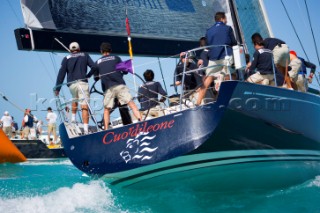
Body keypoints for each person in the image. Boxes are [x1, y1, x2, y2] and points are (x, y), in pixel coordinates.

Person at [87, 42, 141, 130]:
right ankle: (141, 121)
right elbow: (125, 71)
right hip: (120, 85)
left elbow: (96, 78)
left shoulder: (97, 62)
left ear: (101, 51)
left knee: (106, 110)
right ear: (110, 50)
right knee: (131, 103)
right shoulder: (116, 58)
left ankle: (106, 129)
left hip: (108, 89)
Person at [55, 42, 97, 134]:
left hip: (72, 84)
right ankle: (86, 130)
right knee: (84, 105)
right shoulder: (85, 55)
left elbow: (61, 73)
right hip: (82, 82)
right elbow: (94, 67)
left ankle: (73, 119)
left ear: (70, 50)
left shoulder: (66, 58)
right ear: (79, 49)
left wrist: (57, 89)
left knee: (75, 98)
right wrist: (88, 75)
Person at [196, 11, 237, 105]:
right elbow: (234, 43)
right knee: (232, 75)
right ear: (222, 19)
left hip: (213, 58)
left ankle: (197, 103)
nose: (226, 20)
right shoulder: (228, 28)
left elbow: (207, 45)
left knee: (208, 78)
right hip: (226, 55)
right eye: (225, 18)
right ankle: (227, 97)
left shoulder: (209, 31)